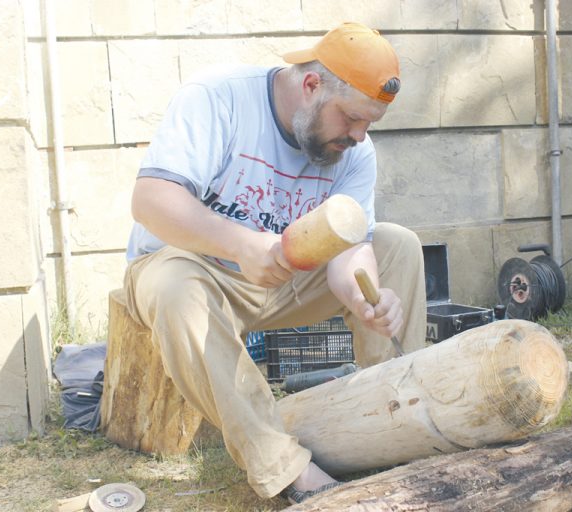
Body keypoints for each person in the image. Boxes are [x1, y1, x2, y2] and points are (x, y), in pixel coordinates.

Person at [123, 22, 427, 503]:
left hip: (285, 277)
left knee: (397, 246)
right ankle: (285, 467)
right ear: (311, 85)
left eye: (369, 123)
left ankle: (397, 421)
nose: (358, 135)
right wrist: (242, 245)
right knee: (174, 287)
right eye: (351, 118)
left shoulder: (355, 150)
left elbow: (351, 248)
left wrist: (366, 297)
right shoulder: (218, 98)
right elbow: (151, 200)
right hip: (195, 268)